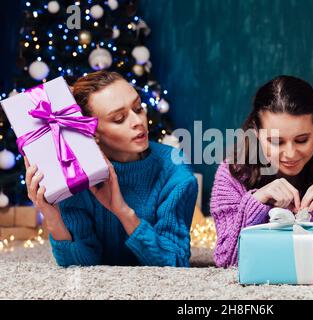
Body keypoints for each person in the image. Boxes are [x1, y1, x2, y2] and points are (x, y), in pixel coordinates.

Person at [25, 71, 198, 267]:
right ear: (92, 131)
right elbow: (79, 268)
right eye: (119, 118)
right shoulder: (74, 175)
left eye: (138, 107)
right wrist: (53, 218)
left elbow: (175, 262)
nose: (138, 122)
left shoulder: (175, 170)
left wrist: (123, 212)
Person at [210, 75, 313, 267]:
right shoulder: (233, 173)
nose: (290, 154)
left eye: (302, 140)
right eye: (276, 141)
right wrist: (255, 204)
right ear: (256, 133)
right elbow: (227, 261)